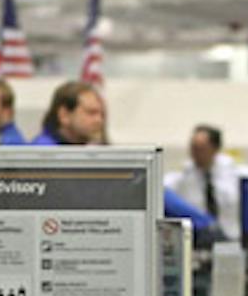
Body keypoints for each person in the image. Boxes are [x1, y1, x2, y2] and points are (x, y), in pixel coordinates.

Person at [34, 81, 215, 233]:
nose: (99, 121)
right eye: (91, 113)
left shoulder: (77, 151)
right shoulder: (45, 155)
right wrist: (205, 224)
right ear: (64, 115)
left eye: (101, 114)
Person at [167, 124, 248, 243]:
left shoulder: (236, 174)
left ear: (215, 149)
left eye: (201, 149)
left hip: (232, 238)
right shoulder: (183, 176)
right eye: (193, 148)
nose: (195, 153)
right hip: (200, 239)